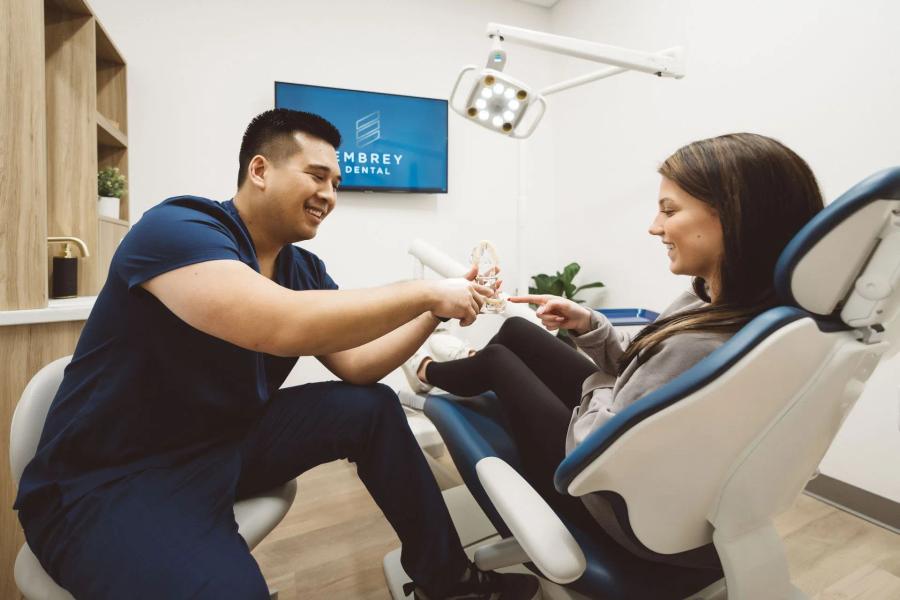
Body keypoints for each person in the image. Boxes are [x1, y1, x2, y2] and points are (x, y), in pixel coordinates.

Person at [14, 109, 539, 600]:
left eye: (336, 183)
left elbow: (359, 364)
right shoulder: (178, 230)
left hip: (223, 444)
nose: (329, 195)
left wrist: (436, 312)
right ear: (259, 169)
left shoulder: (302, 269)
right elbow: (280, 324)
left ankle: (446, 579)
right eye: (315, 175)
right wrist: (425, 291)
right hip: (113, 477)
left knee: (372, 405)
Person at [403, 132, 824, 565]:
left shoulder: (701, 342)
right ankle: (457, 368)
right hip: (641, 461)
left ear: (733, 218)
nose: (654, 226)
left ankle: (427, 373)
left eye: (669, 210)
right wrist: (589, 324)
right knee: (516, 329)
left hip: (605, 493)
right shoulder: (723, 302)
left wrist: (601, 386)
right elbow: (643, 364)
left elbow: (596, 443)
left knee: (498, 361)